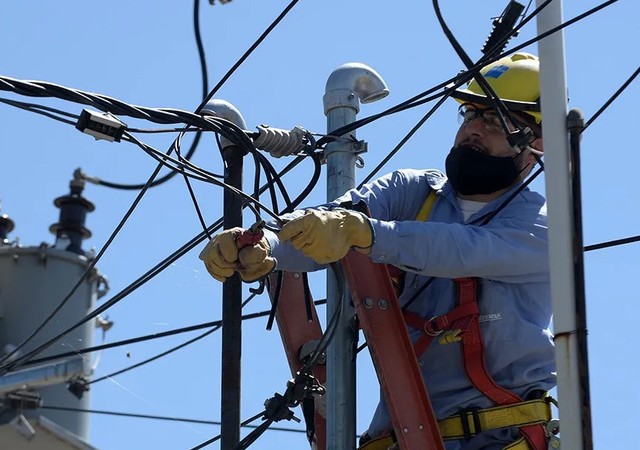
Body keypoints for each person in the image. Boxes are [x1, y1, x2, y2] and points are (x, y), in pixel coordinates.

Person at [199, 52, 556, 450]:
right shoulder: (415, 192)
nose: (473, 130)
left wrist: (365, 234)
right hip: (404, 436)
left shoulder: (545, 225)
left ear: (536, 143)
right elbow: (328, 225)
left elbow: (460, 250)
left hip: (502, 439)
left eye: (494, 121)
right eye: (469, 115)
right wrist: (263, 243)